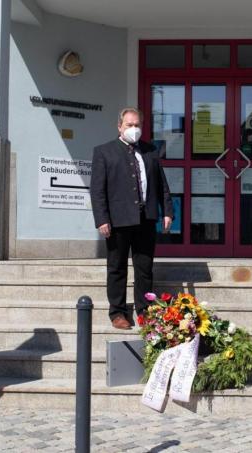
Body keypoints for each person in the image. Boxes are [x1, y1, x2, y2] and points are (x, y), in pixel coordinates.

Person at [90, 107, 174, 330]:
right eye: (129, 125)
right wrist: (102, 219)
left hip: (146, 219)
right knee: (117, 268)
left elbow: (161, 184)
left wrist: (167, 211)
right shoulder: (104, 152)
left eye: (137, 125)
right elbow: (97, 190)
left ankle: (144, 311)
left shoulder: (150, 151)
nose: (134, 129)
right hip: (117, 221)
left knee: (144, 268)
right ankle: (117, 312)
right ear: (119, 126)